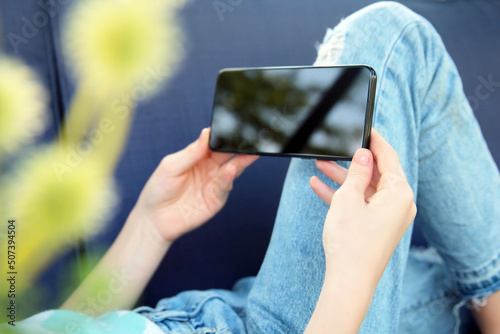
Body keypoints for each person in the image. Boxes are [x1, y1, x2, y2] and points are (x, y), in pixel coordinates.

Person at [4, 2, 499, 333]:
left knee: (445, 276)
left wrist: (150, 226)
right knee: (392, 35)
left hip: (221, 307)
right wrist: (351, 274)